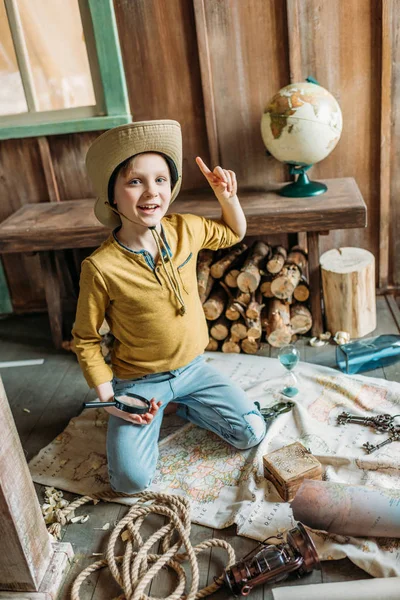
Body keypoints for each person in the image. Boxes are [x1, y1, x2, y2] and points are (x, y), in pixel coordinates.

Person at [72, 120, 266, 494]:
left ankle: (181, 406)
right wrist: (110, 400)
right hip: (140, 382)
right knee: (131, 481)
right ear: (112, 195)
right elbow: (85, 340)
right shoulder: (100, 267)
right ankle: (161, 407)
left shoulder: (186, 229)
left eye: (161, 180)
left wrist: (226, 197)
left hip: (194, 369)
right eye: (135, 182)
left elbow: (233, 232)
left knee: (251, 433)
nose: (151, 192)